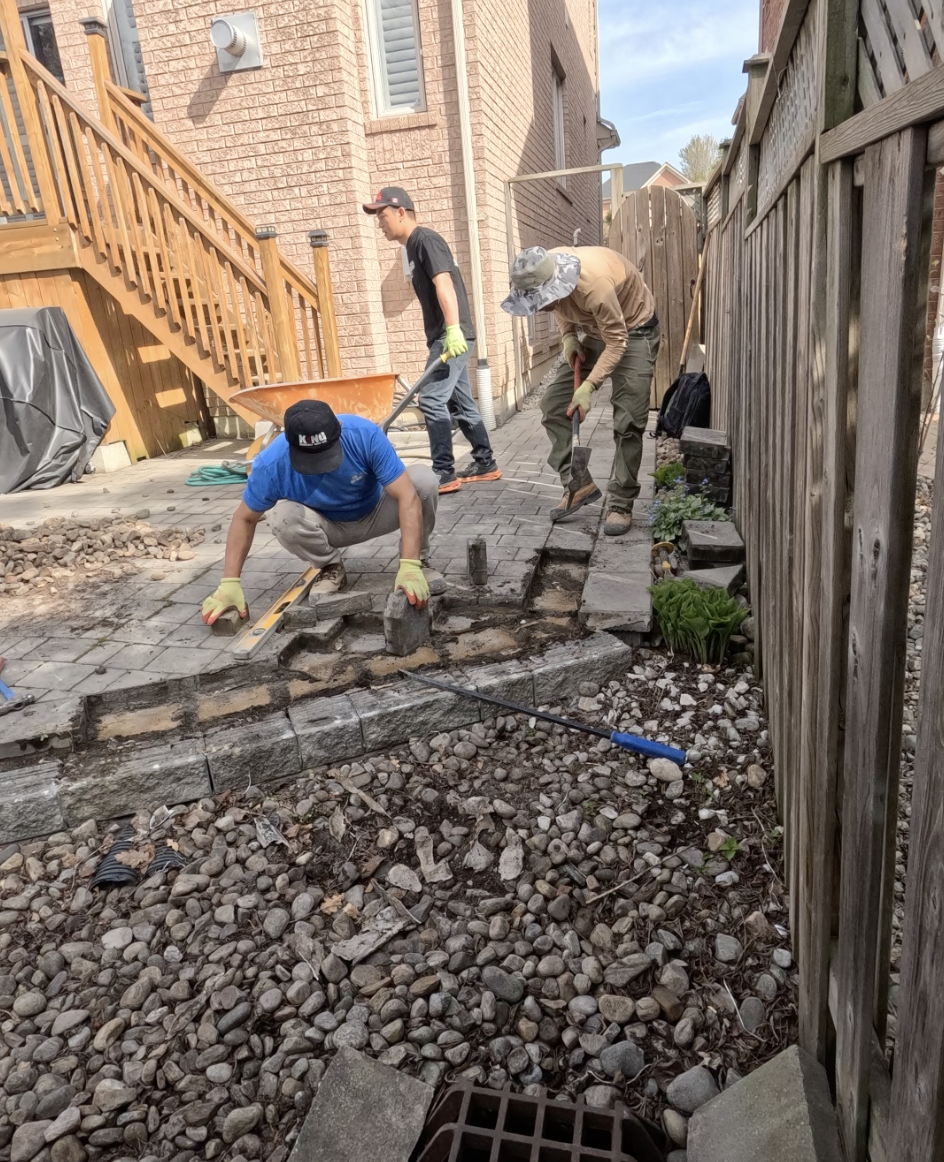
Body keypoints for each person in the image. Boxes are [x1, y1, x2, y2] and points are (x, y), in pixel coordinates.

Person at [200, 399, 440, 623]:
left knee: (422, 481)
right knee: (281, 516)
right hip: (328, 526)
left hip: (378, 511)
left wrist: (408, 564)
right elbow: (244, 519)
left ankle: (418, 562)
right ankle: (330, 566)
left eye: (326, 456)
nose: (320, 468)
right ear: (288, 441)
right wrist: (229, 582)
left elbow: (406, 496)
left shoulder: (364, 434)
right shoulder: (270, 464)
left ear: (340, 428)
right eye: (310, 460)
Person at [501, 245, 660, 536]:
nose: (542, 307)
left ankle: (621, 503)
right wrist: (568, 337)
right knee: (553, 406)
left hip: (633, 331)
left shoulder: (594, 286)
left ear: (556, 283)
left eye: (543, 300)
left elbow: (617, 341)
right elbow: (560, 306)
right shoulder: (541, 268)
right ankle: (578, 485)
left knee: (628, 421)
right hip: (596, 330)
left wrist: (588, 387)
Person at [363, 186, 501, 494]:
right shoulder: (411, 247)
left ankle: (444, 472)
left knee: (431, 398)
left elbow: (444, 282)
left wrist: (451, 329)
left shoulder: (425, 239)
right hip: (447, 334)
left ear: (401, 212)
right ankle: (485, 463)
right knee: (461, 401)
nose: (380, 224)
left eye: (382, 216)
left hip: (450, 335)